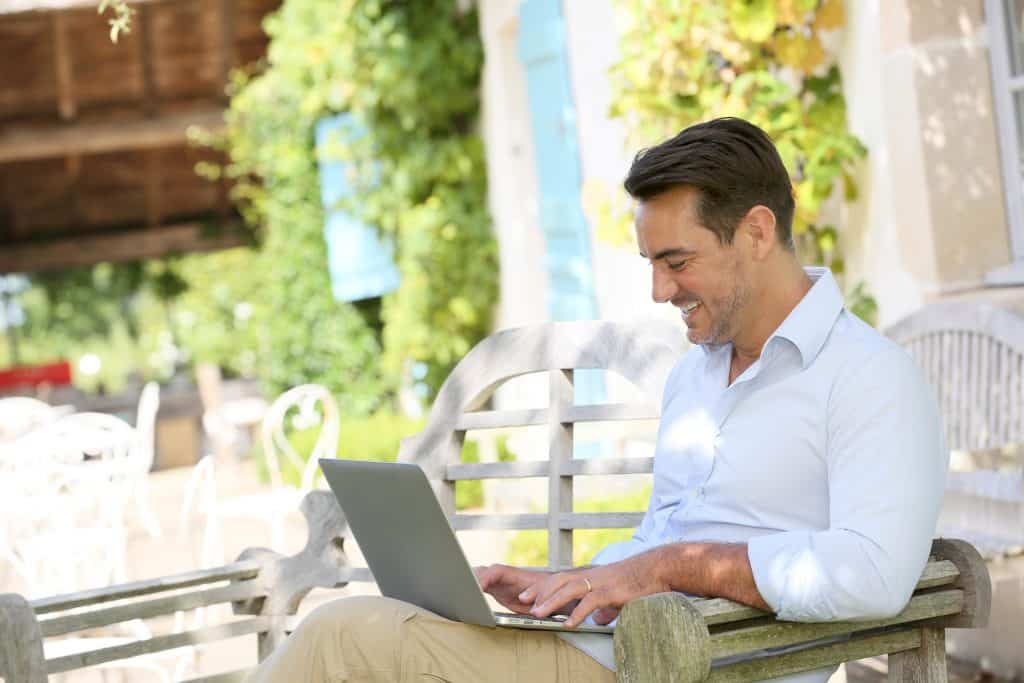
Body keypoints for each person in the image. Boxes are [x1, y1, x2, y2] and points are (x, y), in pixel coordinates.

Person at [246, 117, 945, 683]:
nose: (659, 291)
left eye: (676, 261)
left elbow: (873, 575)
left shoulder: (869, 378)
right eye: (651, 265)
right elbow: (658, 541)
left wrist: (672, 567)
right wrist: (573, 585)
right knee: (375, 632)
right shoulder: (696, 376)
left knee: (343, 636)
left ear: (757, 233)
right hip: (617, 650)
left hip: (694, 665)